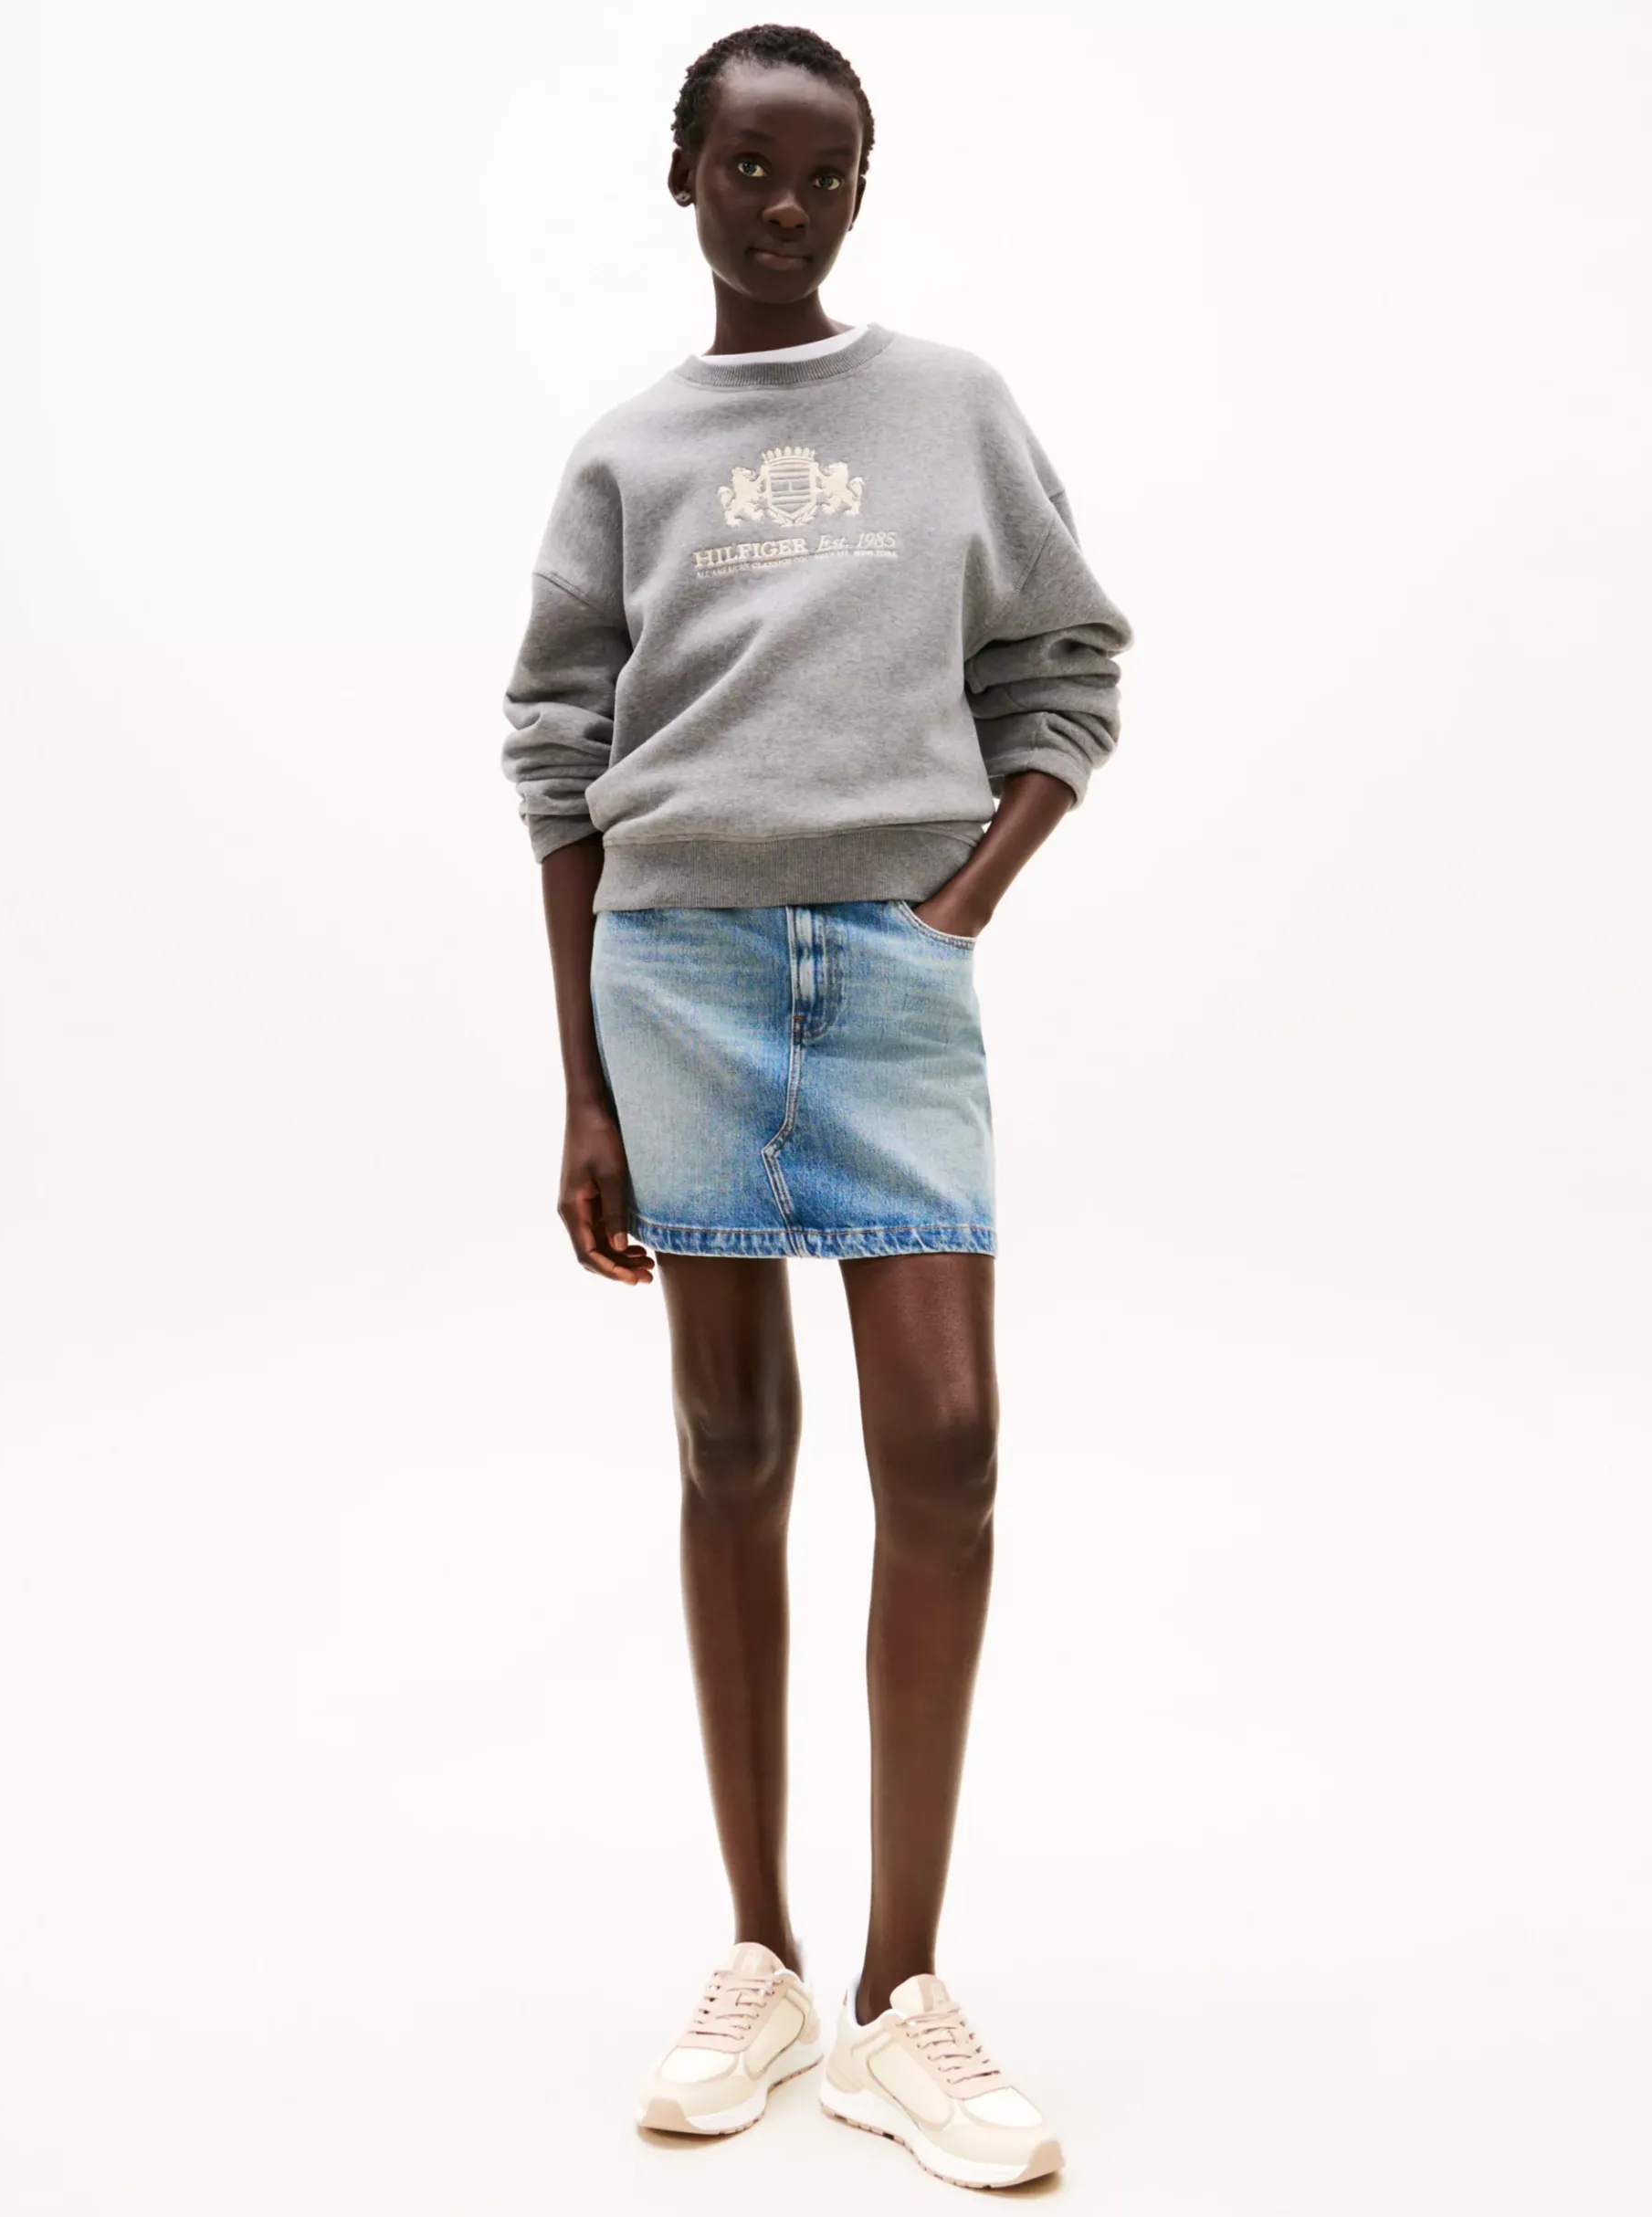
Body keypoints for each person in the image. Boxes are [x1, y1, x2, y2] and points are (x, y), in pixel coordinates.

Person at [500, 23, 1131, 2192]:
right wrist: (582, 1085)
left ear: (864, 187)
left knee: (943, 1445)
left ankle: (899, 1990)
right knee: (731, 1446)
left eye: (825, 172)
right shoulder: (625, 453)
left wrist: (951, 907)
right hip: (671, 973)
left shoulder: (950, 408)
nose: (786, 207)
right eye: (749, 168)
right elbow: (558, 760)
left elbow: (1064, 670)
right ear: (682, 177)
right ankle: (758, 1953)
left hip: (888, 978)